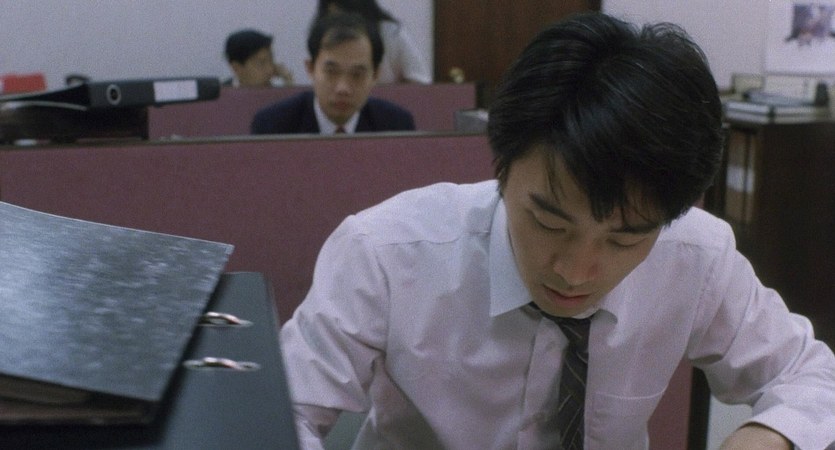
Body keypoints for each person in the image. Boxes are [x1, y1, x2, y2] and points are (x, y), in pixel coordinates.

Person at [279, 12, 835, 450]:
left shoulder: (695, 256)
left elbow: (812, 376)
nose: (575, 272)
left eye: (624, 239)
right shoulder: (386, 253)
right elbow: (284, 413)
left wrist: (769, 436)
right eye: (549, 222)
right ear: (502, 168)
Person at [250, 12, 415, 135]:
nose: (343, 88)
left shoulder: (397, 126)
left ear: (375, 75)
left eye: (357, 75)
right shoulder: (272, 126)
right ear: (310, 68)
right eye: (331, 72)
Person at [315, 0, 431, 84]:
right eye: (335, 19)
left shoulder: (390, 33)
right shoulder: (322, 36)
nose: (344, 25)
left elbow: (420, 81)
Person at [223, 28, 293, 88]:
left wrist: (289, 84)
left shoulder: (277, 94)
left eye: (271, 60)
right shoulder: (221, 95)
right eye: (261, 63)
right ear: (237, 68)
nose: (270, 70)